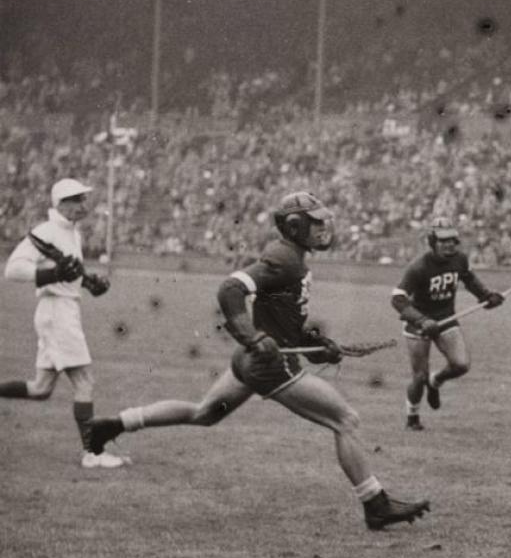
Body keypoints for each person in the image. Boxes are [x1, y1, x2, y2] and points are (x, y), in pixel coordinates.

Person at [87, 192, 430, 531]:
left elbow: (284, 323)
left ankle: (115, 424)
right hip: (268, 364)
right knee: (346, 419)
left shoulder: (293, 257)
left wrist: (316, 345)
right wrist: (252, 336)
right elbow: (230, 289)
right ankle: (375, 505)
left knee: (203, 413)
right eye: (316, 222)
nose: (324, 228)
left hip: (253, 359)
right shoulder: (286, 258)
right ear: (295, 226)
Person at [2, 178, 123, 468]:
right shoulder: (47, 231)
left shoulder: (71, 233)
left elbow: (68, 272)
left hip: (63, 309)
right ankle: (92, 453)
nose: (84, 204)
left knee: (41, 389)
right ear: (61, 204)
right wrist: (54, 276)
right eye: (77, 199)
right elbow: (14, 269)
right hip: (57, 313)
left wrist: (89, 283)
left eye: (84, 198)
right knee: (84, 382)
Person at [391, 216, 505, 431]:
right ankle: (412, 417)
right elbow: (398, 298)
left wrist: (486, 297)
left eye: (452, 240)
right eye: (443, 241)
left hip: (446, 319)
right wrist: (421, 320)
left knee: (461, 365)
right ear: (432, 242)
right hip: (419, 324)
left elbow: (469, 280)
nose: (449, 245)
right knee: (419, 376)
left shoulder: (459, 259)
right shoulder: (419, 267)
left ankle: (436, 381)